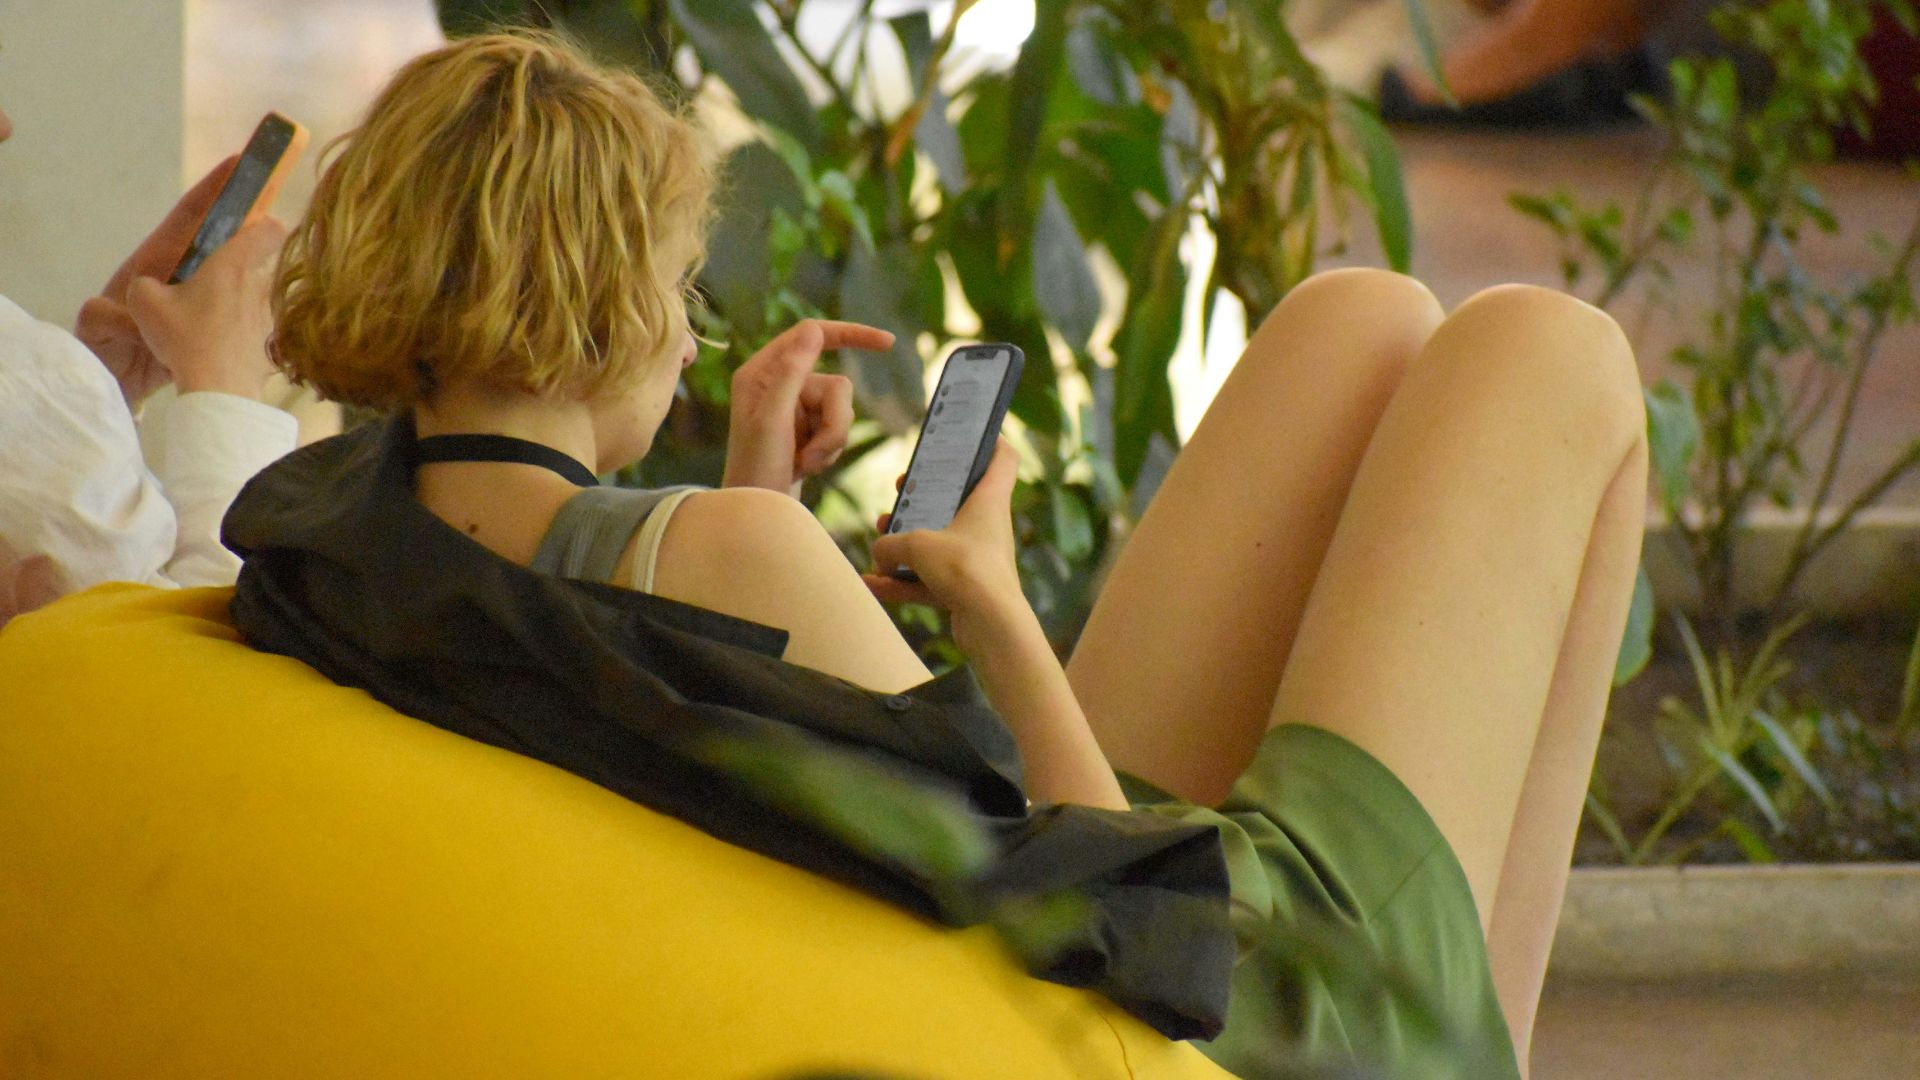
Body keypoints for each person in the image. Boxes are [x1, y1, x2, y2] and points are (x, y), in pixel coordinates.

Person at [226, 31, 1645, 1080]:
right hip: (1228, 994)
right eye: (676, 286)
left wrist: (733, 518)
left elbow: (647, 684)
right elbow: (1123, 918)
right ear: (601, 292)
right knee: (1552, 352)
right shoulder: (730, 555)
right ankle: (1465, 1045)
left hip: (1038, 886)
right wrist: (990, 597)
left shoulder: (333, 531)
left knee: (1357, 318)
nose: (687, 325)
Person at [0, 102, 298, 624]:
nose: (4, 125)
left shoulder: (32, 380)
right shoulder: (23, 374)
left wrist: (96, 405)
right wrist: (226, 386)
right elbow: (194, 670)